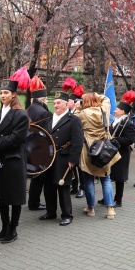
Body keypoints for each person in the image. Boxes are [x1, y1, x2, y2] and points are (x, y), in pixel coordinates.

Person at [0, 67, 30, 243]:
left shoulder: (20, 114)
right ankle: (4, 227)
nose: (3, 95)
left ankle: (13, 229)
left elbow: (15, 139)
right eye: (1, 92)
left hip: (13, 160)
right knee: (1, 196)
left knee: (14, 197)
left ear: (14, 94)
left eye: (6, 92)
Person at [39, 91, 83, 226]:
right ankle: (51, 211)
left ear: (66, 104)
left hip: (63, 158)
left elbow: (78, 142)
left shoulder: (73, 119)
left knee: (63, 186)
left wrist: (73, 160)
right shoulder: (49, 119)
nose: (56, 105)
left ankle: (67, 214)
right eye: (55, 102)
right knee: (48, 185)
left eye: (59, 103)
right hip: (49, 158)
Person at [76, 93, 121, 220]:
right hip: (104, 147)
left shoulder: (82, 114)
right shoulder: (104, 109)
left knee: (89, 179)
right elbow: (106, 98)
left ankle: (91, 208)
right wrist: (96, 95)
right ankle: (110, 209)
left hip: (89, 149)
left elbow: (73, 119)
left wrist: (76, 109)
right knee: (106, 179)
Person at [98, 91, 135, 207]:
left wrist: (116, 140)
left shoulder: (128, 123)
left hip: (121, 153)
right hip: (111, 152)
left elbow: (130, 139)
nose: (114, 110)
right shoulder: (115, 121)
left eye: (117, 109)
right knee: (108, 175)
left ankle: (118, 200)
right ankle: (107, 197)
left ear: (123, 111)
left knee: (119, 178)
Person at [26, 75, 52, 211]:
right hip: (40, 147)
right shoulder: (44, 112)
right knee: (40, 177)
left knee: (35, 176)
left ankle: (32, 202)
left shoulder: (29, 109)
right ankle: (34, 203)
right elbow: (48, 132)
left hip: (30, 146)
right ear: (42, 99)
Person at [62, 77, 86, 199]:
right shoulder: (69, 113)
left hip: (78, 145)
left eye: (69, 101)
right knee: (73, 168)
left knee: (80, 168)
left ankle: (83, 188)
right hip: (69, 145)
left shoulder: (79, 113)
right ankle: (75, 186)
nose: (68, 102)